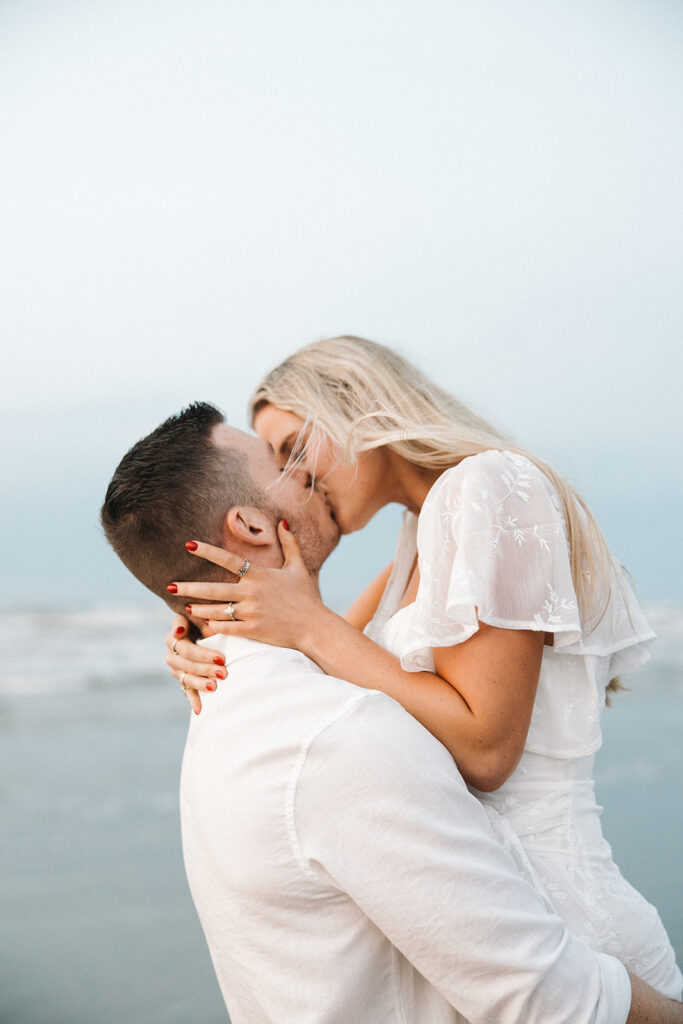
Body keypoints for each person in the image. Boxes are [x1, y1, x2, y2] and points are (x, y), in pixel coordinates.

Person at [102, 401, 683, 1024]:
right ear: (247, 525)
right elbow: (545, 998)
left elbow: (330, 649)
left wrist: (210, 629)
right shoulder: (339, 736)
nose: (302, 471)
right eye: (279, 459)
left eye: (298, 447)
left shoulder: (227, 718)